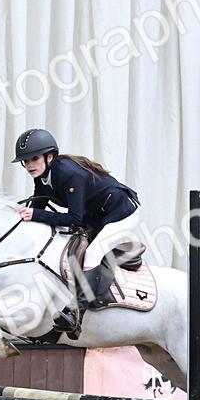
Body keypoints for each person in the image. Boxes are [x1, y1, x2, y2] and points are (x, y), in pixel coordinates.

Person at [11, 128, 140, 334]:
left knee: (93, 253)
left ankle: (76, 313)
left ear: (49, 157)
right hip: (96, 214)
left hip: (121, 213)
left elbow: (74, 219)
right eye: (25, 161)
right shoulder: (41, 176)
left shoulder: (69, 174)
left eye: (34, 159)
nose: (29, 165)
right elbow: (38, 207)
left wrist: (35, 214)